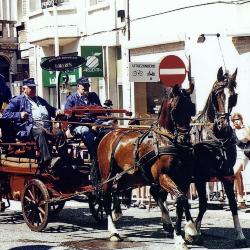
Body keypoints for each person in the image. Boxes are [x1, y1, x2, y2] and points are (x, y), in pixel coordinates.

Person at [2, 78, 63, 170]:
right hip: (28, 129)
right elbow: (5, 114)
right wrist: (20, 114)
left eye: (34, 88)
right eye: (31, 88)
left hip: (46, 128)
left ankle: (63, 158)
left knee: (59, 133)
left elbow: (52, 110)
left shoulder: (40, 100)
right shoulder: (17, 100)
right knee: (40, 132)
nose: (33, 90)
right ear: (24, 89)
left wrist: (57, 111)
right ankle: (48, 161)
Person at [64, 77, 101, 159]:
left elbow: (101, 112)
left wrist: (96, 124)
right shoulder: (71, 98)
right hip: (78, 126)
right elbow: (67, 115)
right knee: (85, 130)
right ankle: (95, 156)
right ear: (78, 86)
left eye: (87, 85)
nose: (86, 88)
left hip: (94, 124)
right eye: (84, 86)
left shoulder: (93, 96)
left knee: (109, 128)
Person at [231, 112, 250, 209]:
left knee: (235, 172)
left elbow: (249, 138)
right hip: (235, 155)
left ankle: (238, 197)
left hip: (244, 154)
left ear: (241, 119)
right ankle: (241, 199)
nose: (236, 121)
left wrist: (242, 127)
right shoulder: (232, 131)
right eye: (234, 120)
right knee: (237, 174)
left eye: (237, 119)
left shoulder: (245, 128)